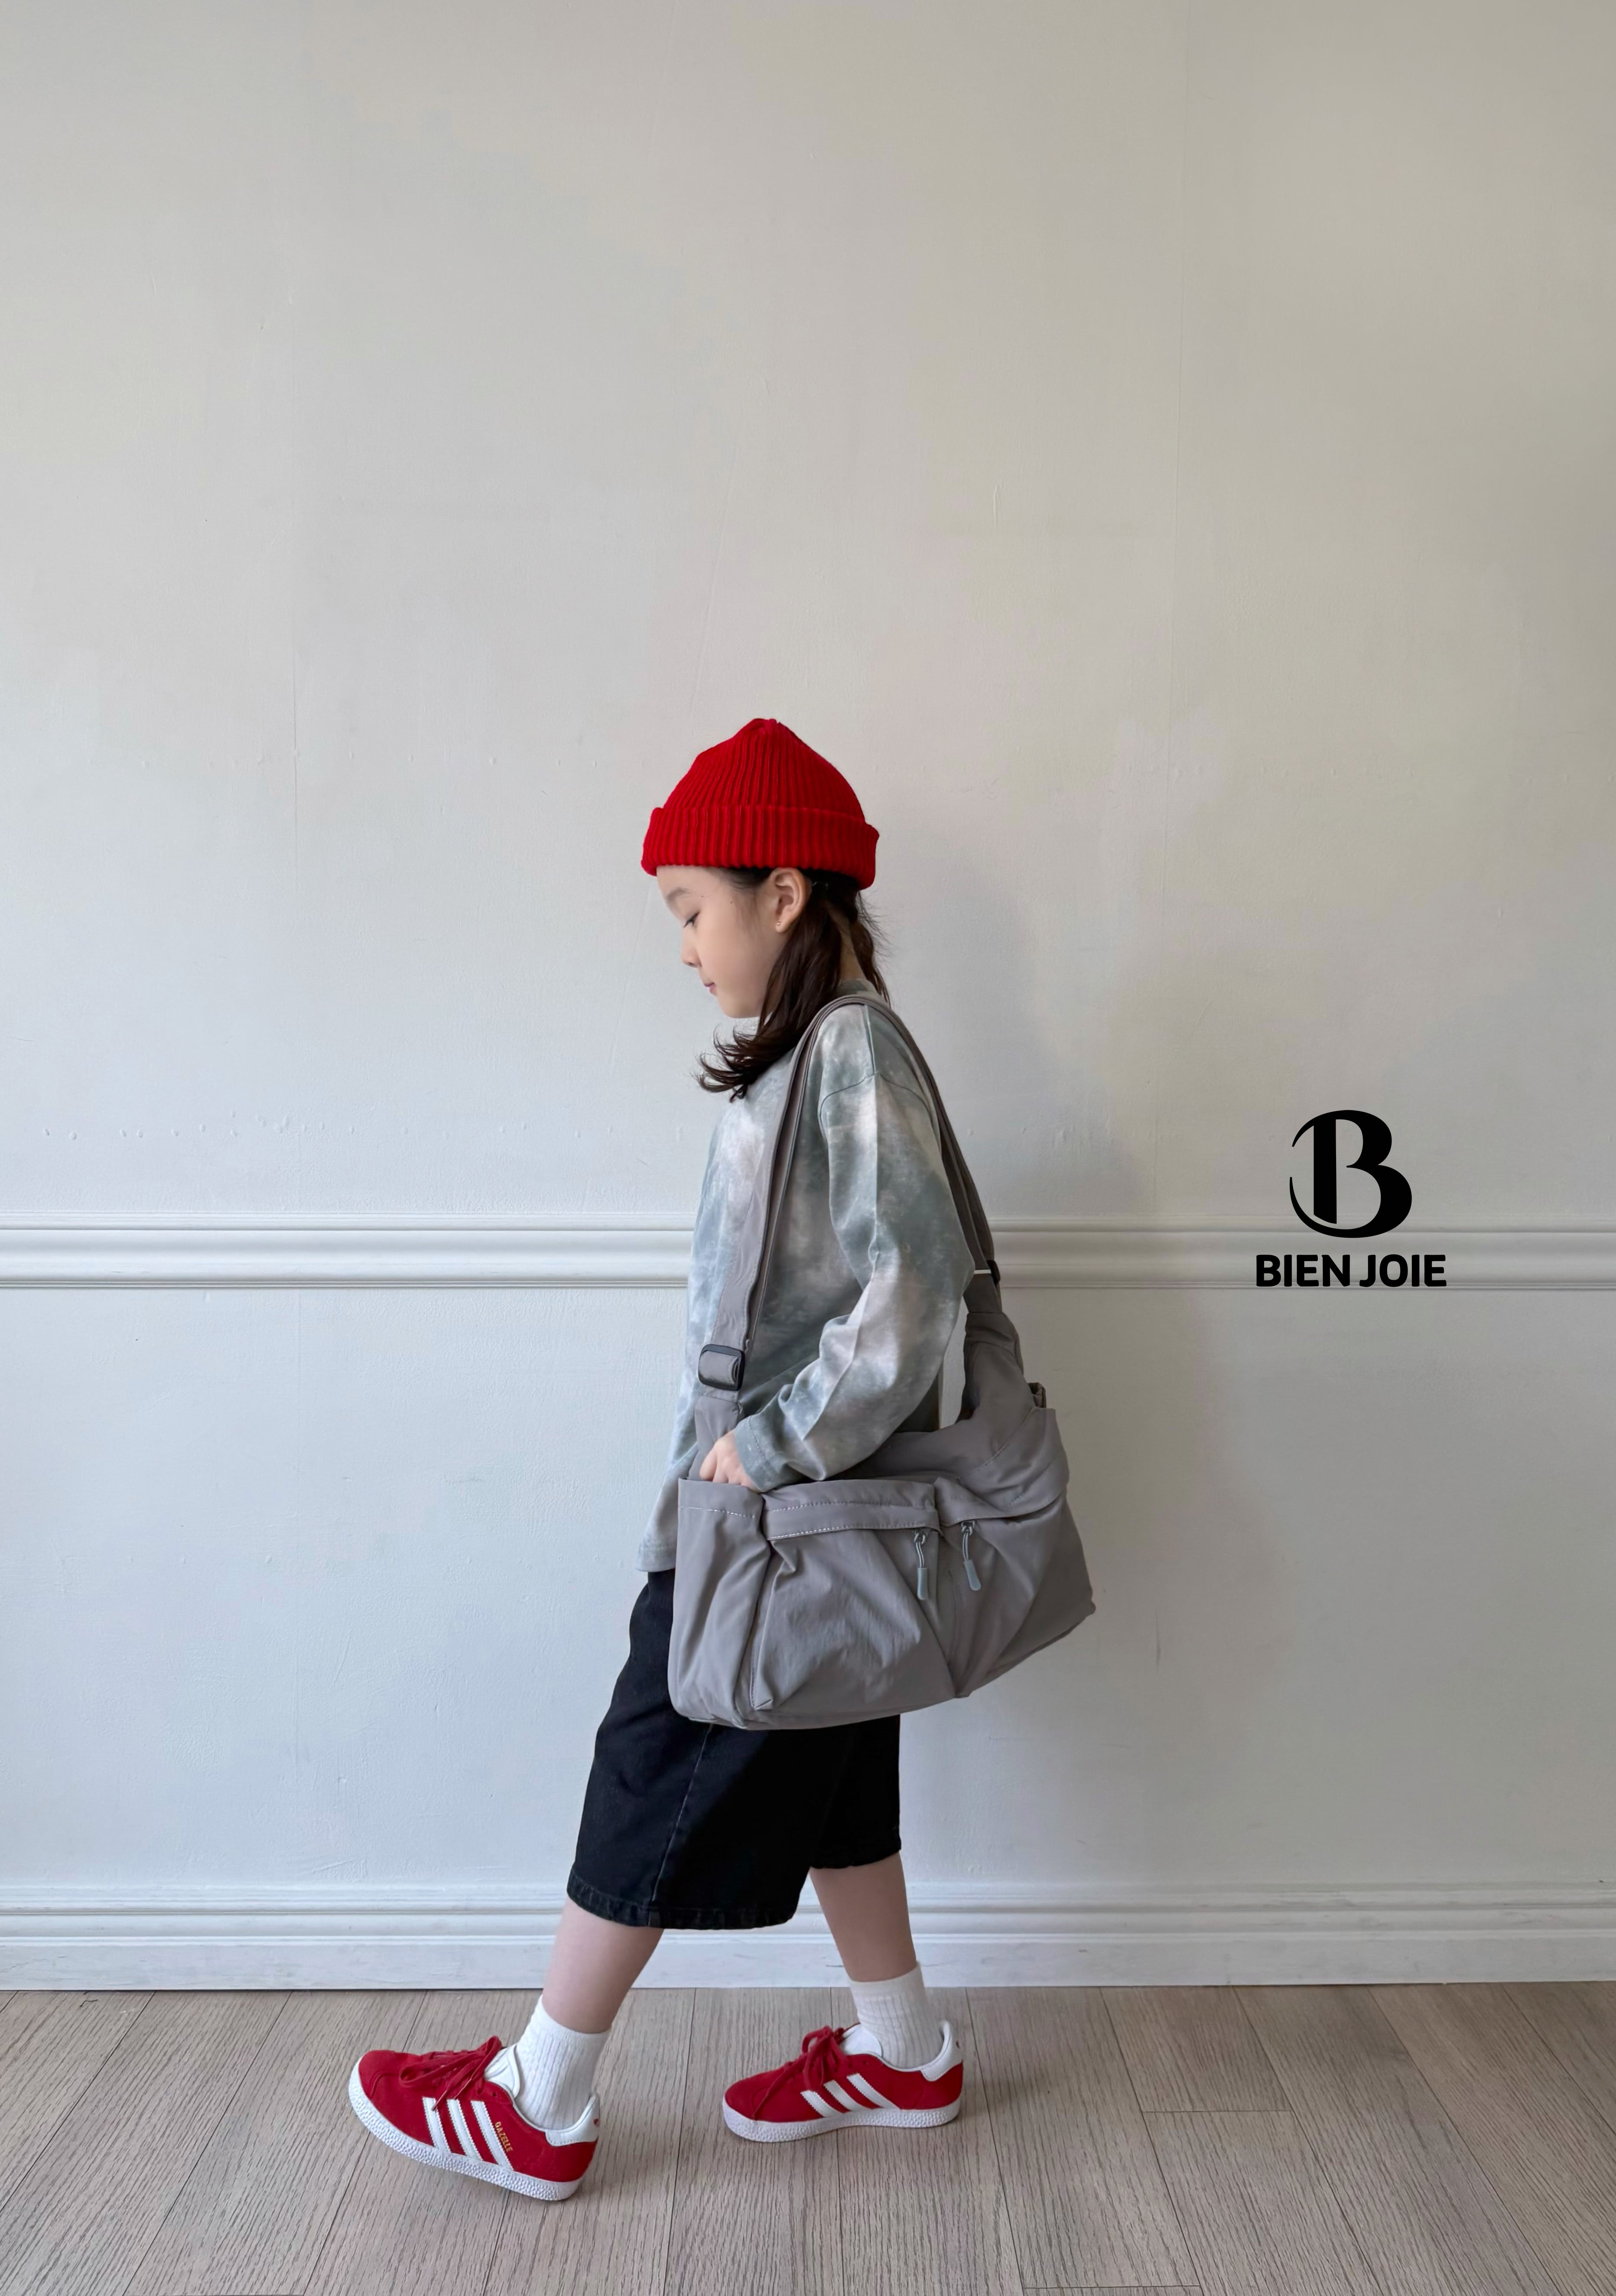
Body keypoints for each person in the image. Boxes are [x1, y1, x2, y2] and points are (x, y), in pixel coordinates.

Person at [346, 717, 977, 2199]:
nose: (685, 946)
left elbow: (918, 1288)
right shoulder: (810, 1057)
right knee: (836, 1773)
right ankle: (905, 2048)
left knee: (655, 1750)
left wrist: (764, 1453)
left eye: (695, 908)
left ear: (785, 894)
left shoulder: (851, 1048)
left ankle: (542, 2094)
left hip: (778, 1514)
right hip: (796, 1510)